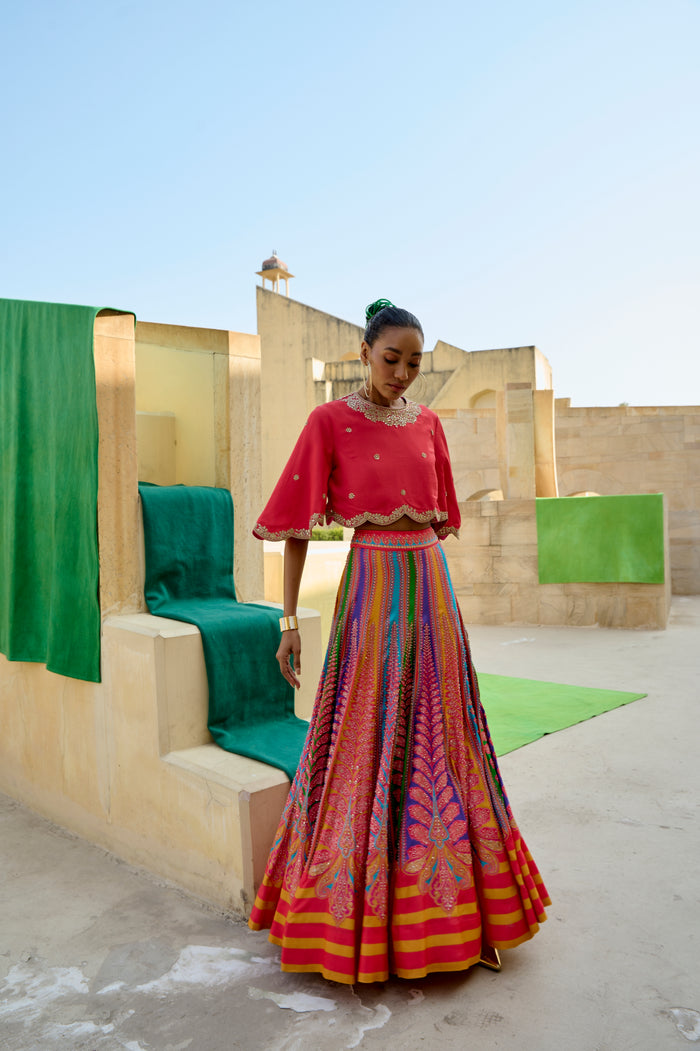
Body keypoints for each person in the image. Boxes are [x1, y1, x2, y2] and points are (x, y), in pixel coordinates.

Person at [248, 299, 550, 983]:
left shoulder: (430, 424)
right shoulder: (329, 420)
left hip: (431, 590)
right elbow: (296, 525)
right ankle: (357, 920)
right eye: (392, 359)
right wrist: (289, 621)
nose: (404, 374)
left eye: (415, 362)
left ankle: (468, 915)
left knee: (445, 734)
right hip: (373, 589)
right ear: (364, 353)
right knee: (365, 736)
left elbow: (437, 522)